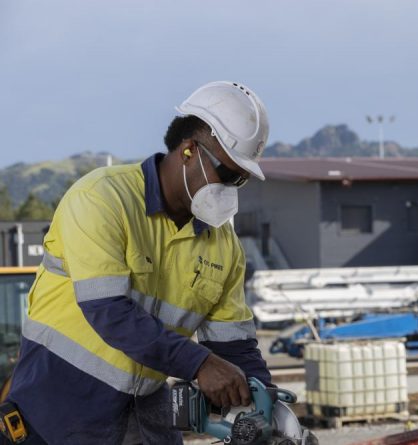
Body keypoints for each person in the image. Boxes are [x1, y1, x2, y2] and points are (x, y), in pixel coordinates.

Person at [4, 81, 273, 444]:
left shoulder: (223, 246)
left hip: (143, 413)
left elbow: (235, 345)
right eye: (226, 174)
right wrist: (200, 364)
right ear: (189, 150)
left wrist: (267, 402)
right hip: (56, 408)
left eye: (240, 179)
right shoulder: (102, 199)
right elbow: (108, 310)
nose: (231, 188)